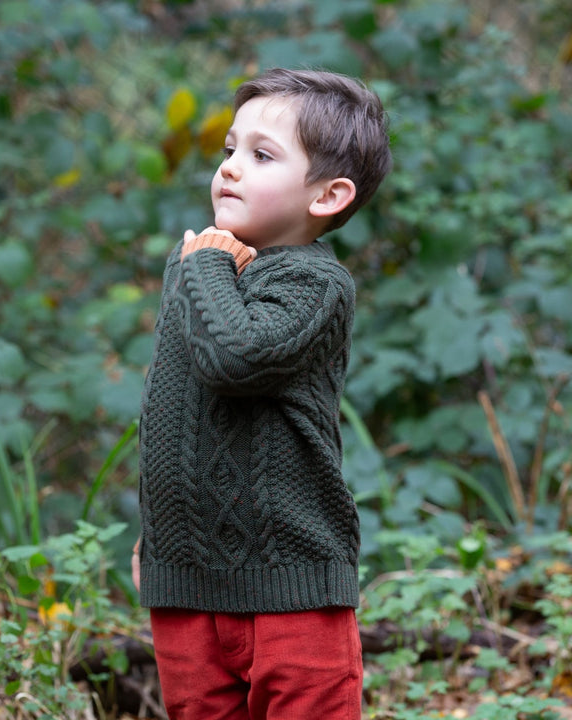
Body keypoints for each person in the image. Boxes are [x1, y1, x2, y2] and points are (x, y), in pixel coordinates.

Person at [132, 67, 392, 720]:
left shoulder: (315, 283)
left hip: (293, 589)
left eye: (262, 155)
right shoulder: (201, 264)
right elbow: (170, 410)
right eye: (228, 150)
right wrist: (156, 538)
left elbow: (235, 358)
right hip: (187, 587)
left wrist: (207, 264)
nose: (231, 169)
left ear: (329, 196)